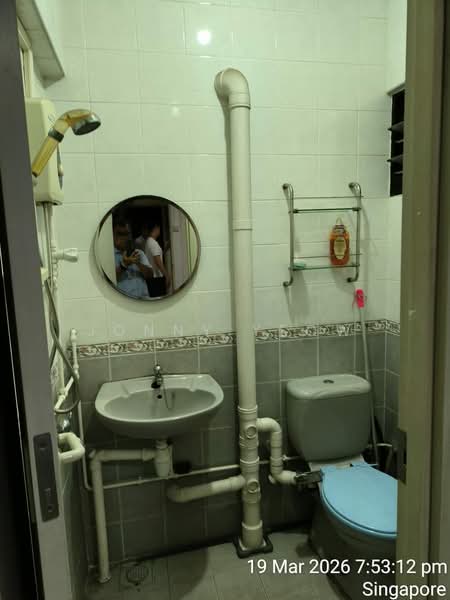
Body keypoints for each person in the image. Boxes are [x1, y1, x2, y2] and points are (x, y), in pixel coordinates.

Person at [113, 218, 153, 299]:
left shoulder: (139, 253)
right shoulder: (109, 256)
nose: (125, 237)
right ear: (113, 235)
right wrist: (124, 265)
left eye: (127, 234)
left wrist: (137, 262)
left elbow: (150, 275)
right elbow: (108, 280)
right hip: (125, 301)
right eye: (121, 234)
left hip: (144, 300)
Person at [144, 223, 171, 297]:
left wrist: (165, 249)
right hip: (156, 278)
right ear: (156, 229)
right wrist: (166, 275)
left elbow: (156, 256)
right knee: (160, 299)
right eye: (159, 229)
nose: (160, 231)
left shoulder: (149, 241)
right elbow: (157, 261)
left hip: (152, 278)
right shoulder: (153, 243)